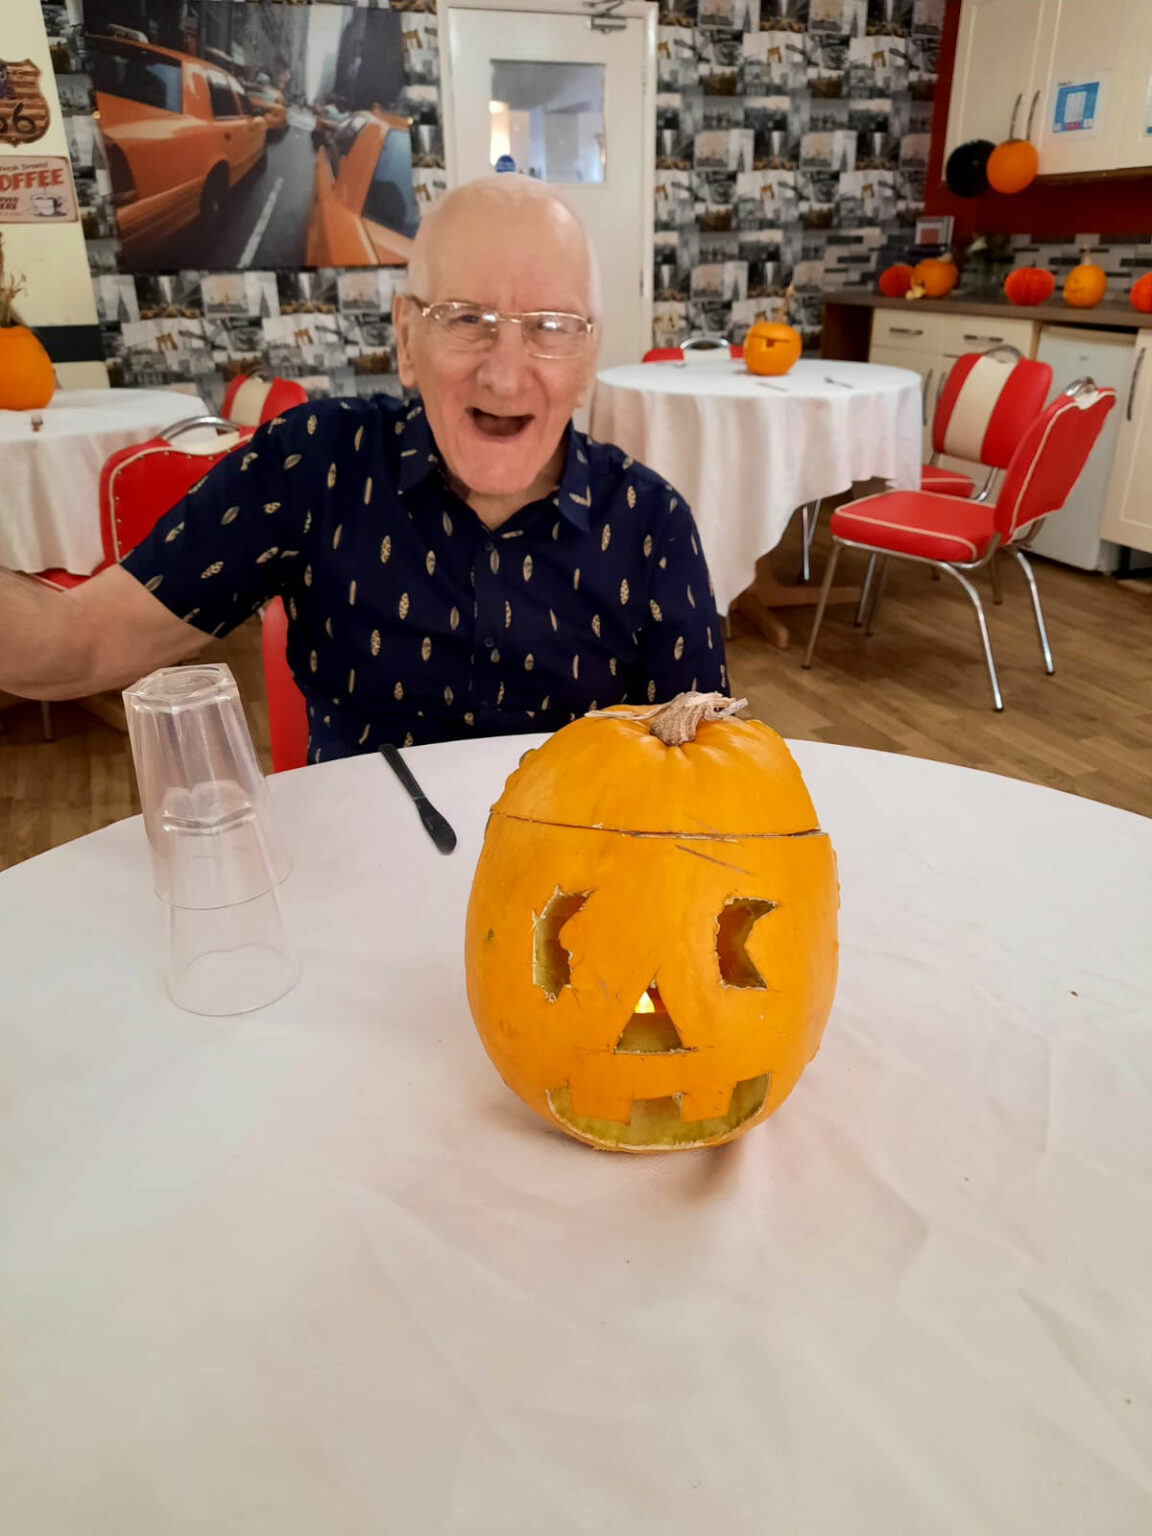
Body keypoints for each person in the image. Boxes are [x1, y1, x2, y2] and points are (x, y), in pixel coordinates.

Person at [0, 176, 726, 762]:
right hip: (355, 863)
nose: (505, 376)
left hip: (579, 878)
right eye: (466, 318)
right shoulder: (311, 463)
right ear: (406, 339)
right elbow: (80, 641)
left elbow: (706, 763)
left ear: (587, 361)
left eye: (551, 328)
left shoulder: (651, 524)